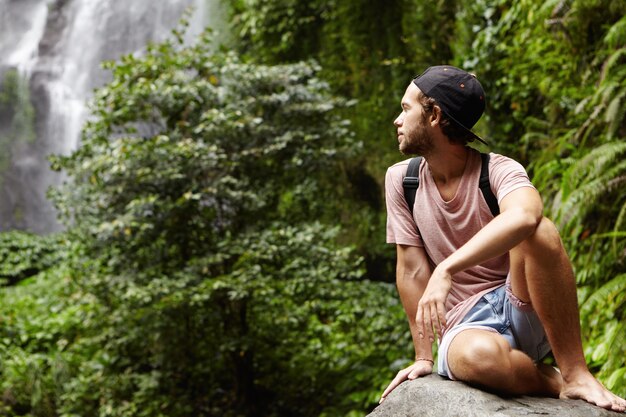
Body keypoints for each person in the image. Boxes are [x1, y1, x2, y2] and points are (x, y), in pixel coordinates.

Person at [379, 65, 626, 412]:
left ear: (434, 115)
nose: (397, 120)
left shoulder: (497, 170)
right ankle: (554, 381)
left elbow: (526, 214)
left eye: (406, 108)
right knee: (479, 359)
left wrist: (447, 268)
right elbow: (411, 271)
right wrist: (423, 355)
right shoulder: (402, 182)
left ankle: (577, 372)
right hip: (466, 326)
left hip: (521, 300)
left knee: (539, 229)